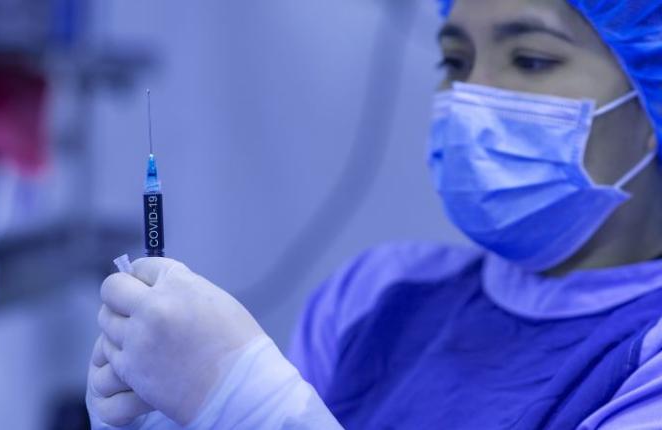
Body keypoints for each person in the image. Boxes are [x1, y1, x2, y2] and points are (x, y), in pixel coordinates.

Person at [86, 0, 662, 428]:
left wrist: (248, 403)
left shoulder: (647, 357)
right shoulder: (378, 295)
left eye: (531, 60)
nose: (471, 94)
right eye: (455, 60)